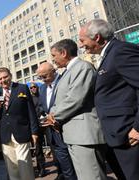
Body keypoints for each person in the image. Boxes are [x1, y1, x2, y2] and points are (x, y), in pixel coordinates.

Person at [79, 19, 139, 180]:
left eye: (83, 40)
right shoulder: (108, 55)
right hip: (116, 136)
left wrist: (138, 128)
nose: (80, 45)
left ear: (97, 37)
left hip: (129, 135)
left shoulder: (120, 51)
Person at [44, 39, 107, 180]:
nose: (53, 60)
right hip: (74, 134)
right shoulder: (69, 71)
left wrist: (53, 115)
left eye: (54, 55)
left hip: (84, 134)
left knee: (92, 176)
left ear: (64, 53)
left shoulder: (82, 67)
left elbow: (75, 99)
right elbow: (60, 100)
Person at [0, 67, 38, 180]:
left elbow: (31, 111)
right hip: (5, 135)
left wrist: (34, 131)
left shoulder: (22, 88)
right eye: (0, 79)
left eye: (5, 77)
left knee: (25, 166)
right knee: (11, 167)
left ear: (10, 76)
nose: (3, 80)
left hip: (22, 132)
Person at [36, 62, 77, 180]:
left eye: (45, 76)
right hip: (53, 134)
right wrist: (44, 117)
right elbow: (42, 107)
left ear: (53, 72)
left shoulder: (64, 81)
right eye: (40, 77)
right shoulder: (42, 88)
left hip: (69, 129)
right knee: (66, 167)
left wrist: (57, 117)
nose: (42, 79)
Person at [28, 82, 46, 177]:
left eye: (35, 87)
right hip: (38, 125)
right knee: (38, 148)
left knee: (54, 145)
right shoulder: (30, 99)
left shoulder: (43, 95)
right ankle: (41, 168)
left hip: (47, 124)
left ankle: (59, 166)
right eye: (31, 88)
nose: (33, 88)